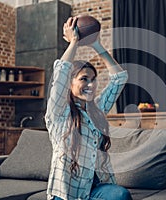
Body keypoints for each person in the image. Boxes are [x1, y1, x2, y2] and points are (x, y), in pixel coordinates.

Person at [45, 16, 132, 200]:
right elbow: (60, 74)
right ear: (70, 83)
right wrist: (74, 42)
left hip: (94, 190)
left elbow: (120, 78)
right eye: (84, 79)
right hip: (65, 194)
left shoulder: (97, 109)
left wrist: (97, 45)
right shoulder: (59, 112)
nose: (90, 85)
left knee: (120, 195)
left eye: (93, 80)